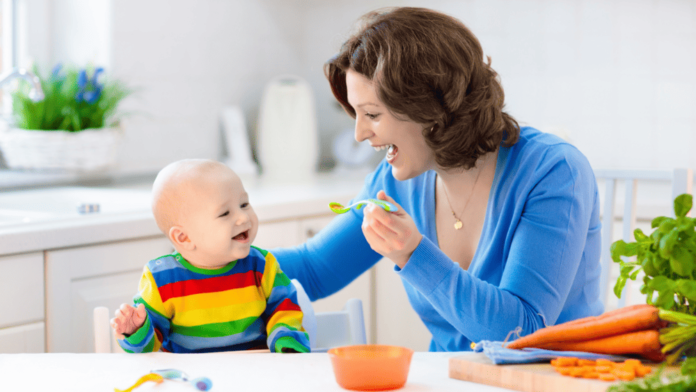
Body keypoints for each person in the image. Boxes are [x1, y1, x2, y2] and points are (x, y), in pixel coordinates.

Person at [272, 7, 603, 352]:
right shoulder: (397, 181)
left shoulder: (553, 171)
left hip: (554, 380)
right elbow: (312, 269)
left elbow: (521, 333)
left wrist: (414, 254)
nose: (359, 134)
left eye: (371, 114)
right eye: (357, 114)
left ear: (428, 108)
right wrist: (222, 251)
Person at [111, 159, 310, 353]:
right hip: (192, 379)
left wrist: (285, 339)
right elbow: (148, 348)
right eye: (224, 213)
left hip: (254, 370)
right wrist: (136, 331)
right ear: (184, 237)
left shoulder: (261, 265)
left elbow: (285, 308)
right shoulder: (162, 280)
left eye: (244, 204)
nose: (243, 217)